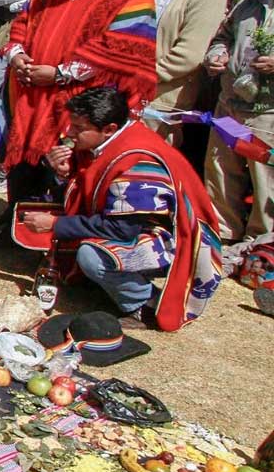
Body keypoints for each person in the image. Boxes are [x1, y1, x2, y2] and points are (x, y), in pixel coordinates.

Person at [21, 87, 222, 330]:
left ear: (109, 129)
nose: (68, 132)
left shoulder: (136, 160)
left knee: (92, 256)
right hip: (133, 224)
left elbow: (122, 229)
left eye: (78, 128)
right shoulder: (113, 142)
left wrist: (56, 224)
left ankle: (144, 305)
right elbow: (90, 186)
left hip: (174, 240)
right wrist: (62, 173)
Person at [0, 0, 158, 210]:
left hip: (86, 103)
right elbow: (24, 19)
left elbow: (122, 47)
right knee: (25, 164)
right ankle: (17, 223)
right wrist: (17, 54)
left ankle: (60, 235)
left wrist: (61, 74)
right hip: (34, 95)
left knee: (69, 169)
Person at [203, 0, 274, 241]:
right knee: (220, 170)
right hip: (230, 103)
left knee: (265, 180)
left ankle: (261, 244)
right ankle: (222, 233)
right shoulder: (250, 0)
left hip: (267, 112)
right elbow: (224, 36)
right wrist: (216, 54)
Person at [148, 0, 227, 167]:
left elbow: (189, 55)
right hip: (131, 88)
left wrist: (142, 75)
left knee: (151, 167)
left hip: (163, 98)